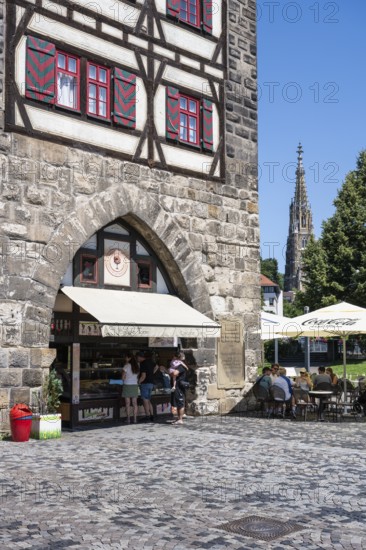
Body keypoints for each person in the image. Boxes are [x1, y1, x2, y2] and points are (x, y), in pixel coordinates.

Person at [137, 351, 158, 422]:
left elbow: (143, 376)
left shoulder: (143, 363)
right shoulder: (150, 361)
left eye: (137, 357)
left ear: (140, 357)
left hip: (145, 383)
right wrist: (151, 374)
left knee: (145, 400)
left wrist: (138, 382)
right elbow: (157, 366)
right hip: (151, 383)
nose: (137, 359)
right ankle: (152, 415)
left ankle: (147, 416)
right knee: (148, 400)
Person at [122, 352, 140, 424]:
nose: (125, 359)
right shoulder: (137, 366)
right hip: (135, 385)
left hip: (127, 385)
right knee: (135, 403)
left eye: (126, 357)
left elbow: (123, 377)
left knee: (127, 403)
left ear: (129, 358)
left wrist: (126, 378)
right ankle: (135, 419)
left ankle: (128, 419)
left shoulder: (126, 366)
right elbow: (138, 376)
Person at [170, 359, 189, 425]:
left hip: (180, 387)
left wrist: (168, 371)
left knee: (180, 403)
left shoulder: (181, 366)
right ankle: (179, 418)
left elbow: (175, 373)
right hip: (177, 387)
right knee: (178, 403)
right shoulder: (178, 366)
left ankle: (180, 419)